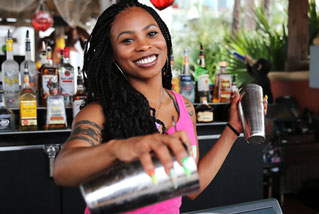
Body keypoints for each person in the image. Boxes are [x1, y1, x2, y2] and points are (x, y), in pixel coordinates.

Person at [53, 0, 243, 213]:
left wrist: (232, 130)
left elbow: (191, 188)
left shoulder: (184, 107)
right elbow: (62, 169)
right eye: (127, 40)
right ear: (111, 54)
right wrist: (120, 148)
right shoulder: (99, 112)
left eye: (151, 34)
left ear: (164, 38)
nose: (143, 45)